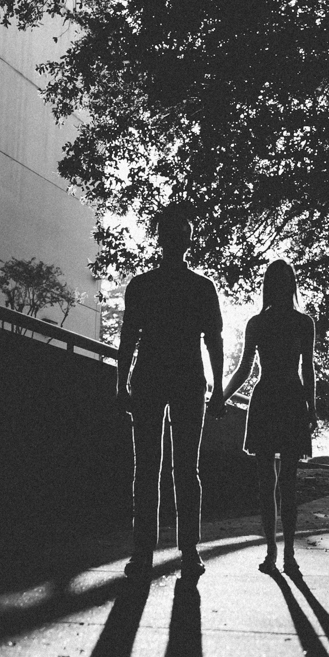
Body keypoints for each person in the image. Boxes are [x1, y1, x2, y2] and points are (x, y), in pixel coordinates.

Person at [116, 207, 224, 581]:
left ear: (159, 239)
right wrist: (220, 387)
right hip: (187, 379)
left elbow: (128, 338)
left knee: (146, 467)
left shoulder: (142, 286)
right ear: (187, 240)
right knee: (184, 469)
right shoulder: (201, 287)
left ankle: (143, 552)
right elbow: (214, 341)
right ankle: (188, 551)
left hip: (149, 377)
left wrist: (120, 384)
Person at [217, 259, 315, 575]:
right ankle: (276, 551)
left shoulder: (295, 323)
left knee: (280, 482)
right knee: (273, 482)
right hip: (276, 399)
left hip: (283, 399)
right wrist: (221, 396)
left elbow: (307, 367)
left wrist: (311, 408)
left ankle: (283, 552)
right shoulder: (265, 323)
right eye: (278, 282)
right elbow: (247, 366)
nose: (282, 287)